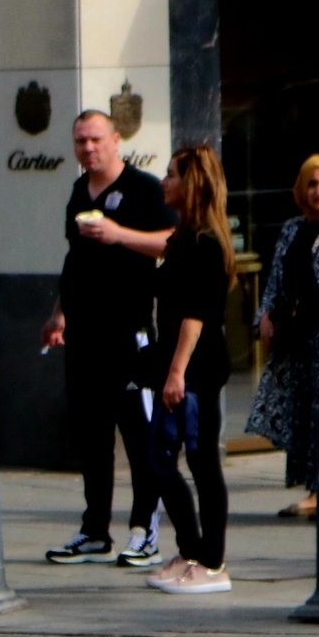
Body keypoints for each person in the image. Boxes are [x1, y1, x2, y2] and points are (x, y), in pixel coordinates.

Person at [91, 145, 237, 594]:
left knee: (201, 460)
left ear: (192, 183)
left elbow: (196, 315)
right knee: (159, 460)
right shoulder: (181, 238)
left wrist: (176, 373)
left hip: (195, 368)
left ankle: (211, 560)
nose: (164, 182)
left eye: (172, 175)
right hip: (172, 365)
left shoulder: (204, 244)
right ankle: (190, 548)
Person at [43, 109, 174, 566]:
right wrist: (58, 313)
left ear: (117, 140)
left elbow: (171, 241)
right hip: (83, 335)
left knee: (138, 435)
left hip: (129, 334)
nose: (88, 149)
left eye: (96, 140)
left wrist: (119, 234)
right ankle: (94, 528)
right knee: (91, 436)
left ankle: (145, 530)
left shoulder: (144, 188)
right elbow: (75, 258)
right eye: (80, 141)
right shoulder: (80, 190)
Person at [249, 155, 319, 522]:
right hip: (299, 338)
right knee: (304, 417)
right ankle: (316, 489)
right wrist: (265, 316)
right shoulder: (292, 228)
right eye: (313, 184)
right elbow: (276, 278)